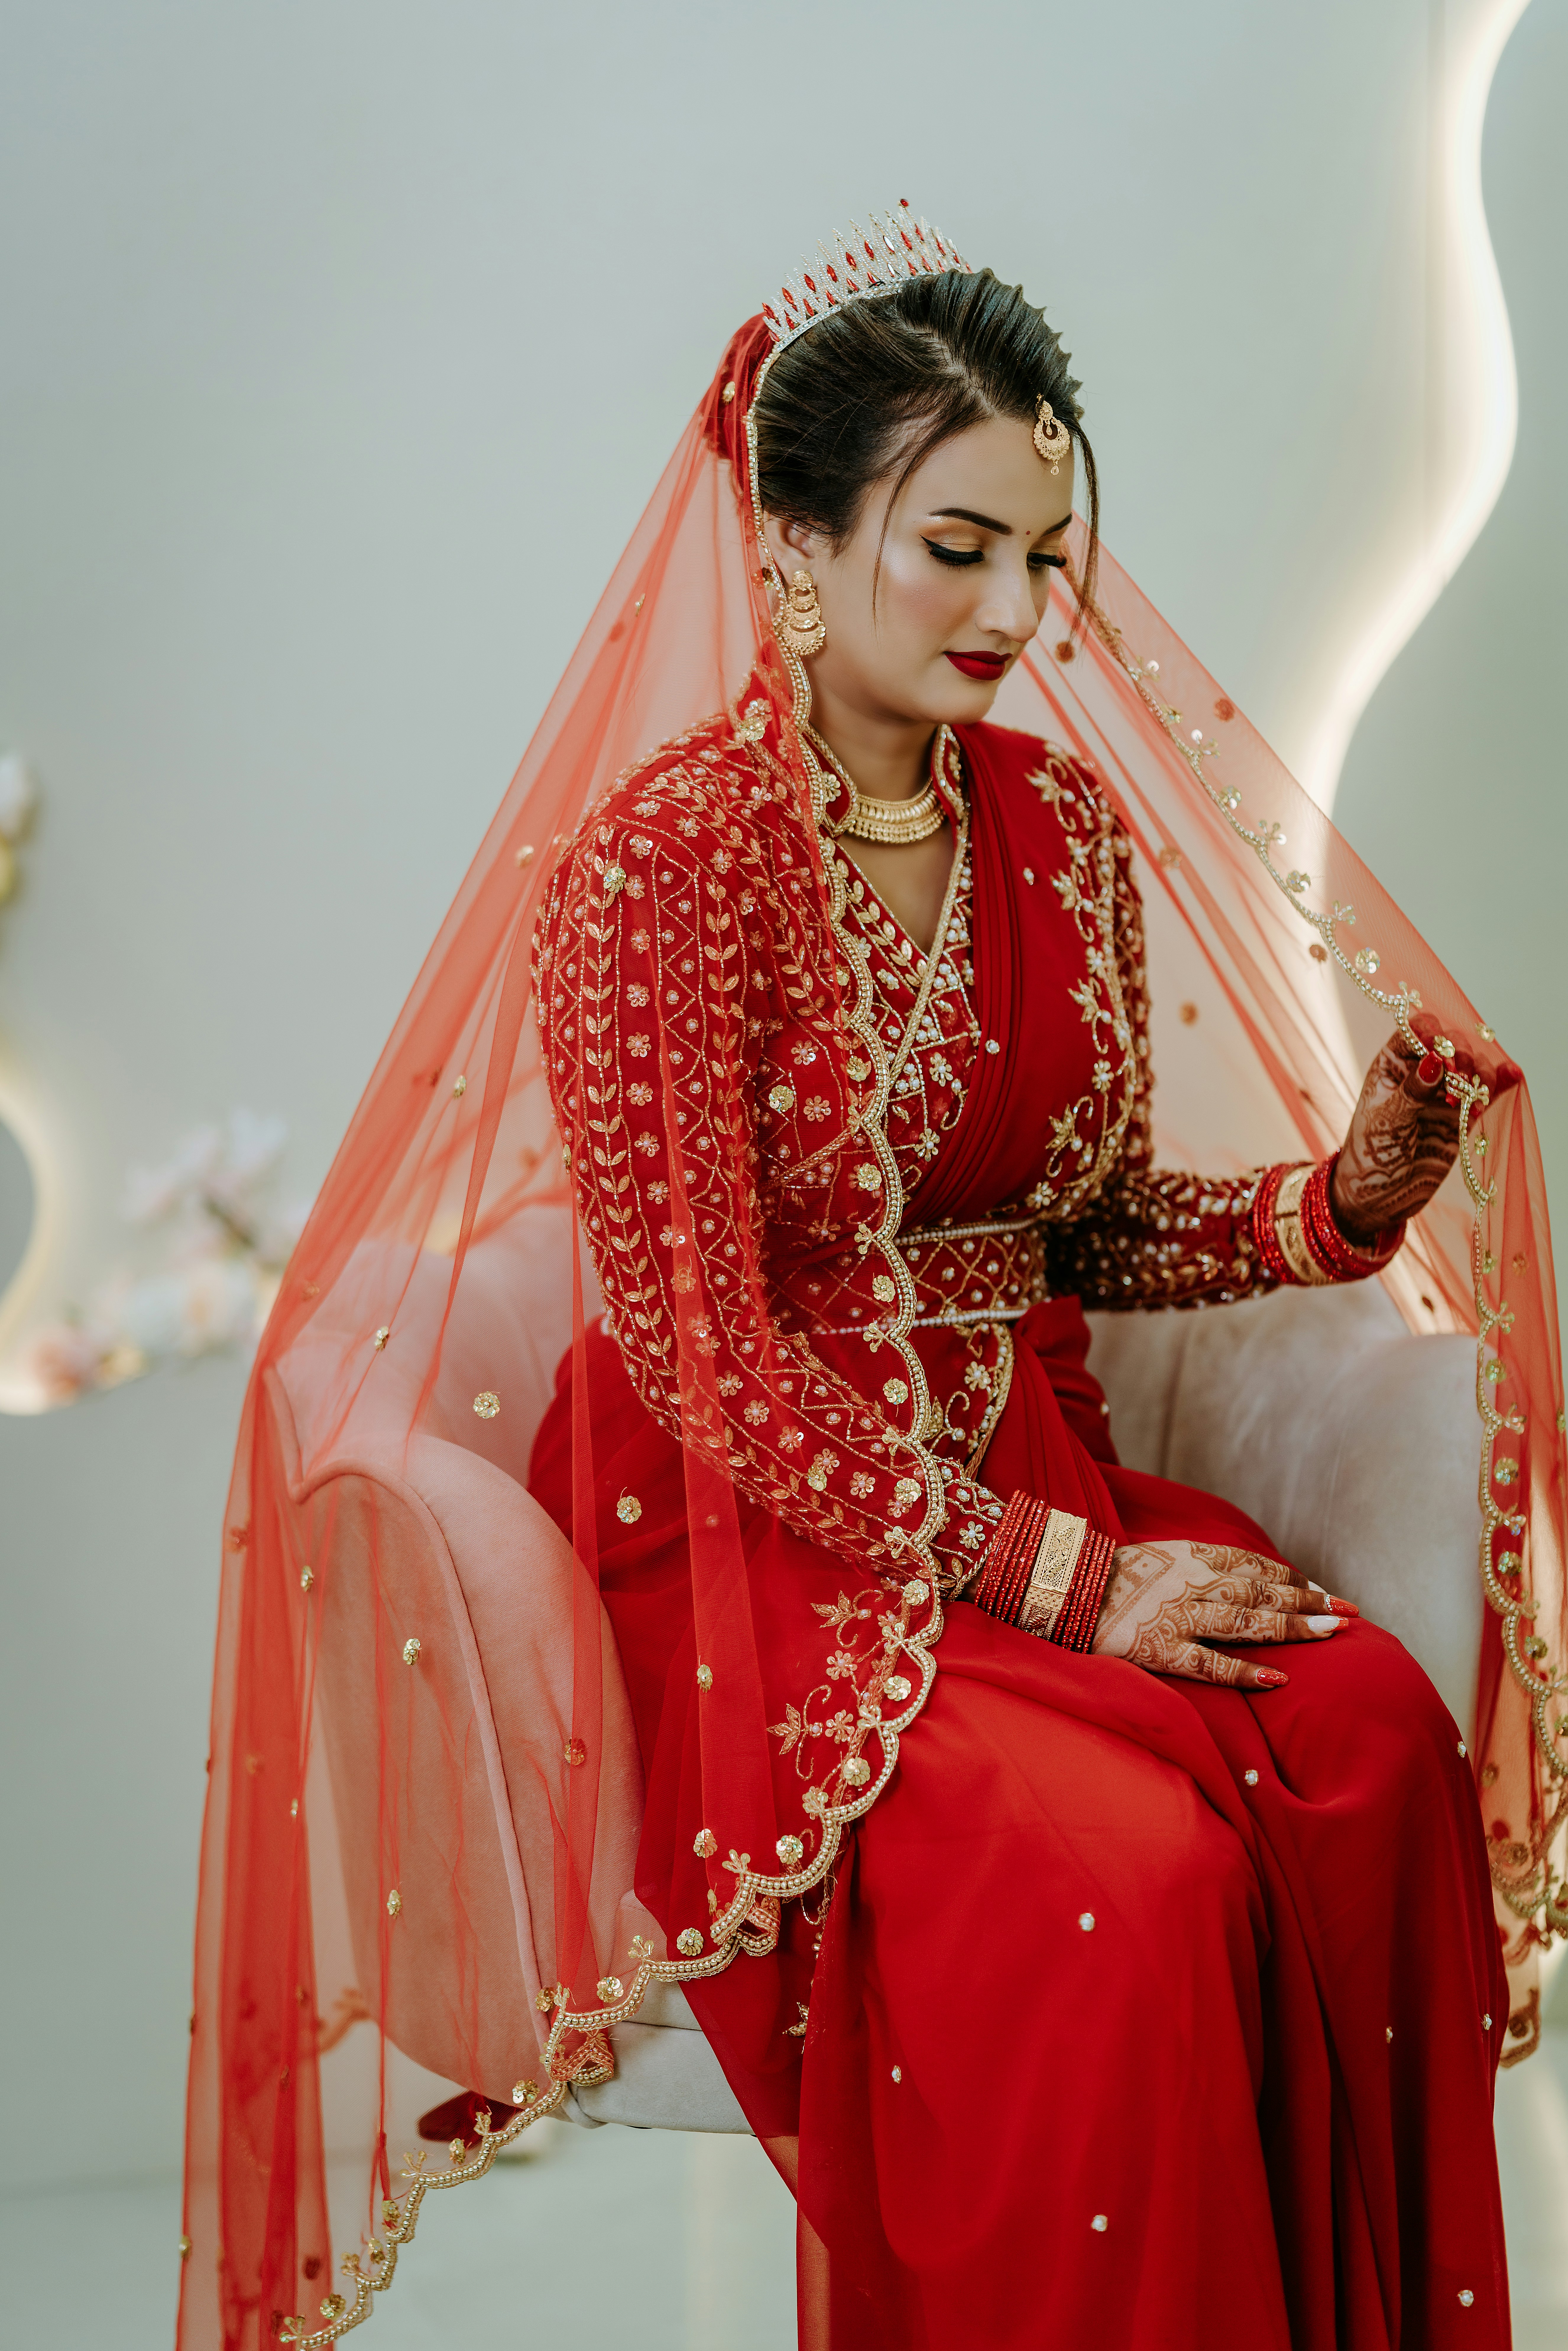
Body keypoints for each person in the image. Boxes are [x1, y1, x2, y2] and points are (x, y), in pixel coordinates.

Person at [182, 211, 1561, 2351]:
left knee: (1370, 1733)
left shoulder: (1061, 836)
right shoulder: (664, 872)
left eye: (1048, 553)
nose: (1019, 610)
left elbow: (1076, 1232)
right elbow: (706, 1359)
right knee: (1142, 1876)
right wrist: (1070, 1589)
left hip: (1030, 1482)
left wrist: (1336, 1201)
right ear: (797, 544)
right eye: (958, 547)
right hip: (750, 1555)